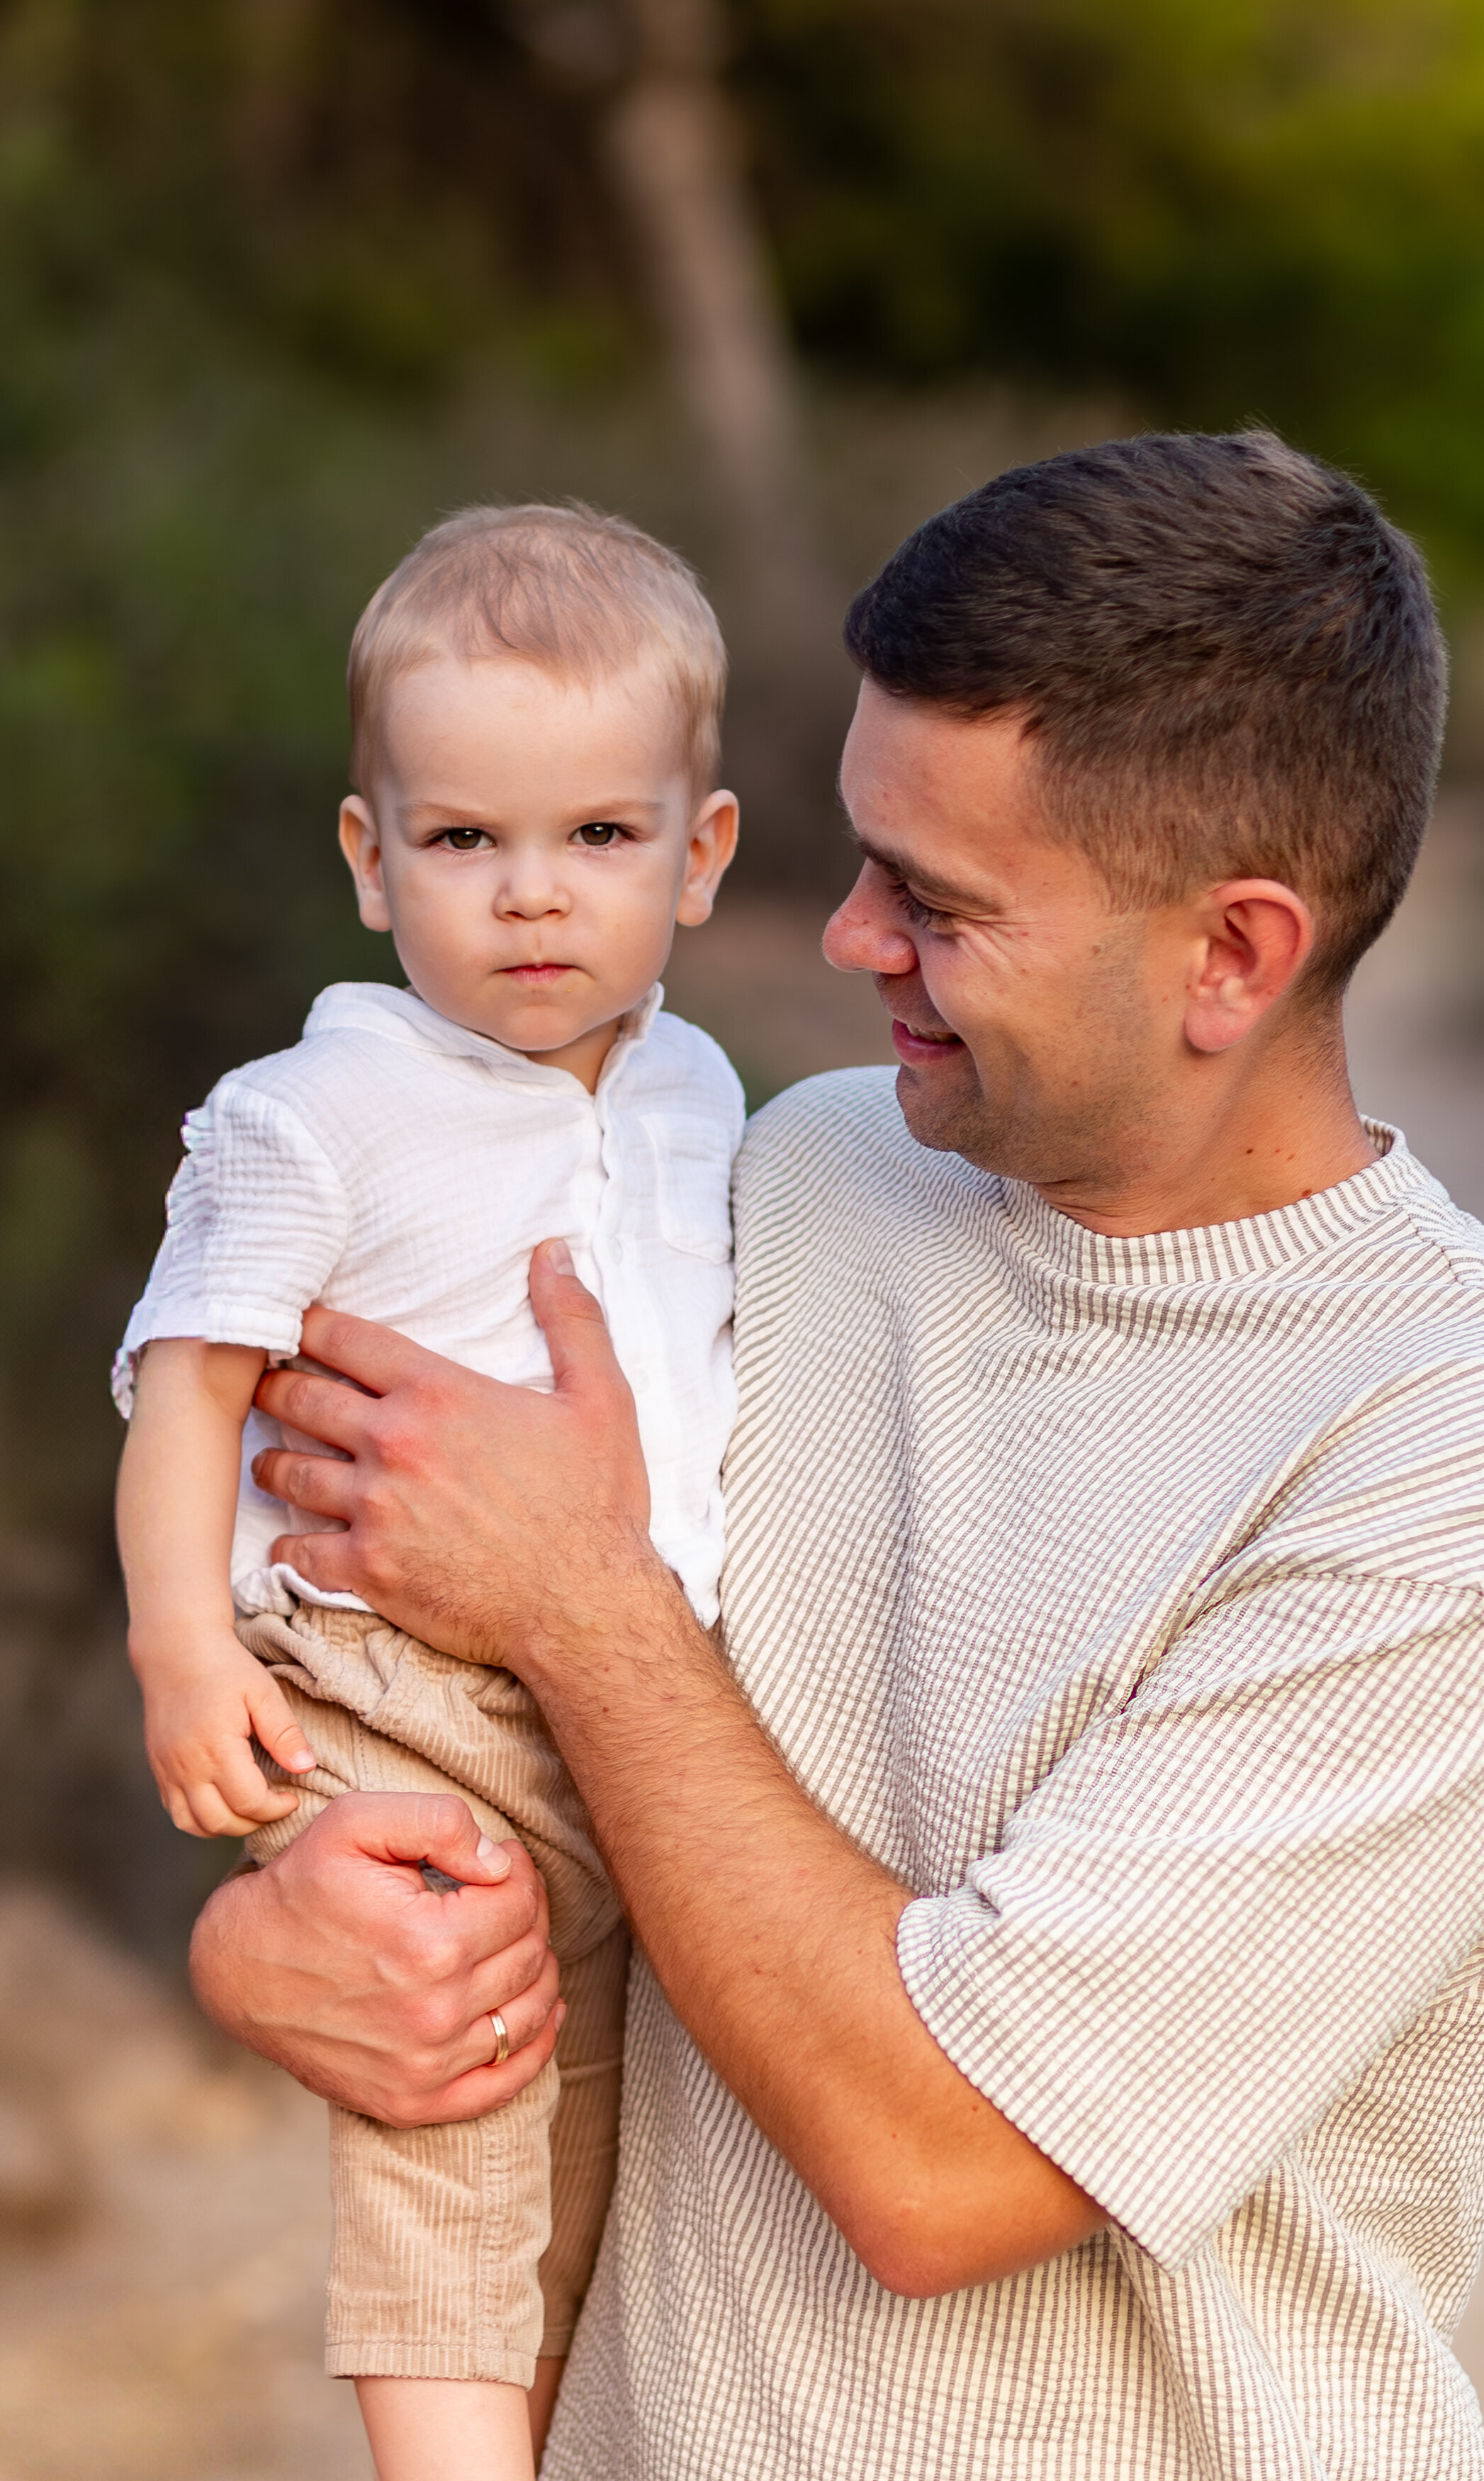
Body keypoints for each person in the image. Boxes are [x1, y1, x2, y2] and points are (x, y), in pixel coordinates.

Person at [189, 434, 1484, 2481]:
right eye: (862, 854)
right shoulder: (792, 1176)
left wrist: (582, 1600)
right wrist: (291, 1913)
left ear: (1234, 953)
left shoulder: (1468, 1471)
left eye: (939, 901)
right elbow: (443, 1680)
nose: (852, 936)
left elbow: (943, 2162)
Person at [113, 503, 742, 2481]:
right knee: (452, 2089)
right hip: (395, 1687)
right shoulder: (312, 1112)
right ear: (371, 860)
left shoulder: (703, 1098)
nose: (532, 896)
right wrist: (181, 1647)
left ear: (700, 854)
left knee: (600, 2154)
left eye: (600, 837)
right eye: (465, 840)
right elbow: (187, 1385)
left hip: (634, 1703)